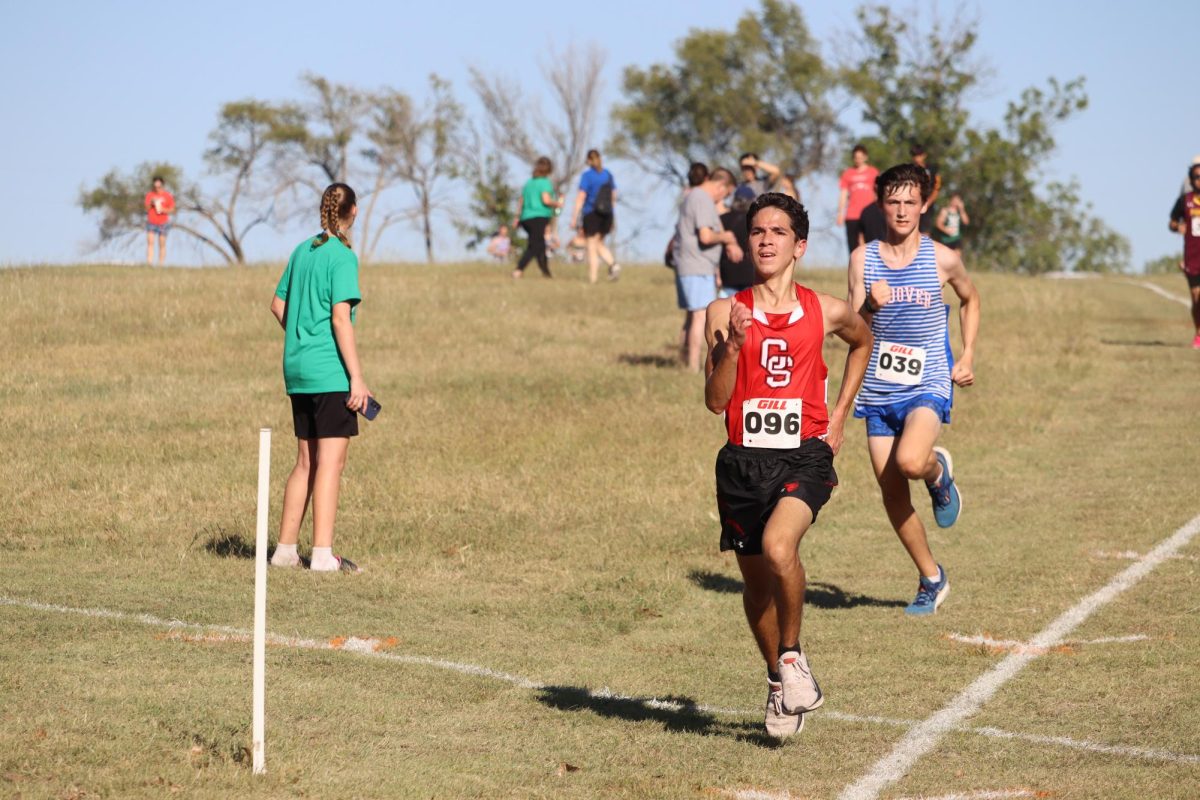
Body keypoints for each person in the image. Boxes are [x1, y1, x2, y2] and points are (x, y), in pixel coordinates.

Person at [704, 192, 872, 739]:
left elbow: (863, 341)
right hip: (742, 463)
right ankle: (777, 681)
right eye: (757, 231)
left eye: (778, 232)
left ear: (799, 245)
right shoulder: (724, 310)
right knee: (756, 587)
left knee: (781, 548)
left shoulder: (825, 309)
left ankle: (794, 658)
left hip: (804, 454)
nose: (766, 240)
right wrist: (732, 347)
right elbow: (713, 401)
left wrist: (841, 414)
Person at [847, 163, 980, 615]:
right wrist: (868, 303)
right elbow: (852, 328)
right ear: (881, 204)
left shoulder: (941, 257)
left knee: (909, 462)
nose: (902, 210)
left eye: (910, 202)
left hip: (928, 379)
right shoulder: (862, 260)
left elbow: (970, 299)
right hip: (879, 388)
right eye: (893, 201)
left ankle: (937, 474)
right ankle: (931, 578)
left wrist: (967, 355)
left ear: (925, 205)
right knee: (892, 495)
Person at [269, 183, 372, 574]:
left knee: (304, 462)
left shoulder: (301, 250)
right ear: (354, 212)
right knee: (331, 462)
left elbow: (278, 304)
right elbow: (340, 317)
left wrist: (300, 337)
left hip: (298, 370)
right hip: (329, 372)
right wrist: (357, 378)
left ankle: (284, 551)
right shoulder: (342, 257)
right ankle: (323, 555)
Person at [673, 167, 741, 371]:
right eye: (725, 193)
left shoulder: (695, 196)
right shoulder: (702, 198)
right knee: (700, 315)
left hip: (691, 265)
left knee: (692, 314)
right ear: (721, 186)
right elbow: (705, 236)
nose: (723, 198)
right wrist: (727, 238)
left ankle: (684, 360)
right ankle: (694, 366)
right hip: (696, 266)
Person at [569, 149, 621, 283]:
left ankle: (593, 278)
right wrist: (612, 215)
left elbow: (581, 196)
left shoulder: (587, 176)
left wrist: (574, 217)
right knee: (598, 243)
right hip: (607, 214)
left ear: (588, 160)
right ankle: (613, 265)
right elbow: (613, 196)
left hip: (591, 213)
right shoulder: (608, 174)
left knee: (591, 245)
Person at [513, 156, 563, 279]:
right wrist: (557, 203)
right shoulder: (545, 183)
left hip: (525, 218)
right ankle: (519, 270)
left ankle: (546, 273)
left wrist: (517, 217)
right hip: (538, 217)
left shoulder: (529, 183)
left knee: (540, 245)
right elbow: (546, 200)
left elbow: (521, 200)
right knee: (535, 246)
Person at [1168, 162, 1200, 349]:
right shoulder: (1184, 201)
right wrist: (1178, 227)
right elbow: (1171, 222)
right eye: (1197, 177)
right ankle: (1198, 333)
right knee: (1196, 298)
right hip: (1192, 257)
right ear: (1191, 179)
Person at [835, 145, 880, 257]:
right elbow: (843, 194)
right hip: (852, 214)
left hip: (869, 214)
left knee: (872, 244)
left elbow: (878, 193)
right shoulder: (848, 173)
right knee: (853, 247)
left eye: (860, 157)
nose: (858, 159)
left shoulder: (873, 172)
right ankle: (856, 270)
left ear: (865, 157)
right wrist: (840, 213)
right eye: (856, 157)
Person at [718, 187, 754, 298]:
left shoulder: (721, 220)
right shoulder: (754, 222)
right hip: (750, 275)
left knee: (728, 312)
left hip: (727, 276)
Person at [910, 144, 942, 235]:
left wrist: (928, 203)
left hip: (928, 205)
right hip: (913, 204)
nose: (917, 158)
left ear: (924, 155)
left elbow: (937, 187)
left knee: (925, 232)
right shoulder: (909, 169)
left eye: (919, 155)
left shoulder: (932, 169)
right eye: (914, 155)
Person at [144, 175, 175, 265]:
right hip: (151, 221)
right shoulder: (150, 195)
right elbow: (146, 208)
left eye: (159, 185)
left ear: (162, 184)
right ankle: (149, 263)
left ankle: (161, 264)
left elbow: (172, 209)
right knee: (150, 242)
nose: (157, 187)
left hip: (163, 222)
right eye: (155, 185)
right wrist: (151, 203)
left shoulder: (167, 195)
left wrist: (163, 209)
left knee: (162, 243)